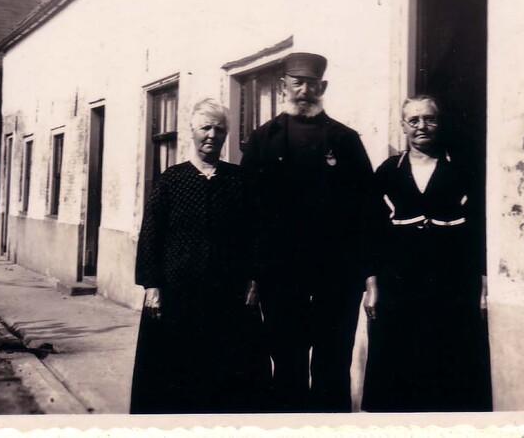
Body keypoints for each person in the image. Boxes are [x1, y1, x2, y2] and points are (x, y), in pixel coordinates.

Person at [240, 52, 386, 412]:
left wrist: (369, 274)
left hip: (337, 277)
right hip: (280, 275)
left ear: (323, 87)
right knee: (286, 363)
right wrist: (253, 273)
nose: (303, 91)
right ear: (283, 86)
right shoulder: (262, 140)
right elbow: (247, 212)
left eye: (311, 84)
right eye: (297, 83)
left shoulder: (345, 140)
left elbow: (367, 210)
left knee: (332, 364)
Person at [130, 98, 269, 413]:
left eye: (219, 129)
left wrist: (255, 279)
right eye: (206, 127)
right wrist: (152, 286)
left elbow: (256, 234)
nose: (212, 135)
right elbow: (151, 234)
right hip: (179, 297)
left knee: (230, 376)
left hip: (228, 296)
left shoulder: (240, 180)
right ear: (191, 131)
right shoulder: (171, 180)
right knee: (176, 373)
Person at [361, 95, 492, 412]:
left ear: (439, 123)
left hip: (452, 285)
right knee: (398, 365)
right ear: (403, 126)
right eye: (414, 120)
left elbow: (479, 230)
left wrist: (483, 285)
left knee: (448, 363)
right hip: (398, 286)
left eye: (429, 119)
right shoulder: (388, 171)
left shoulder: (462, 169)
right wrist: (372, 286)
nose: (422, 126)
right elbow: (370, 232)